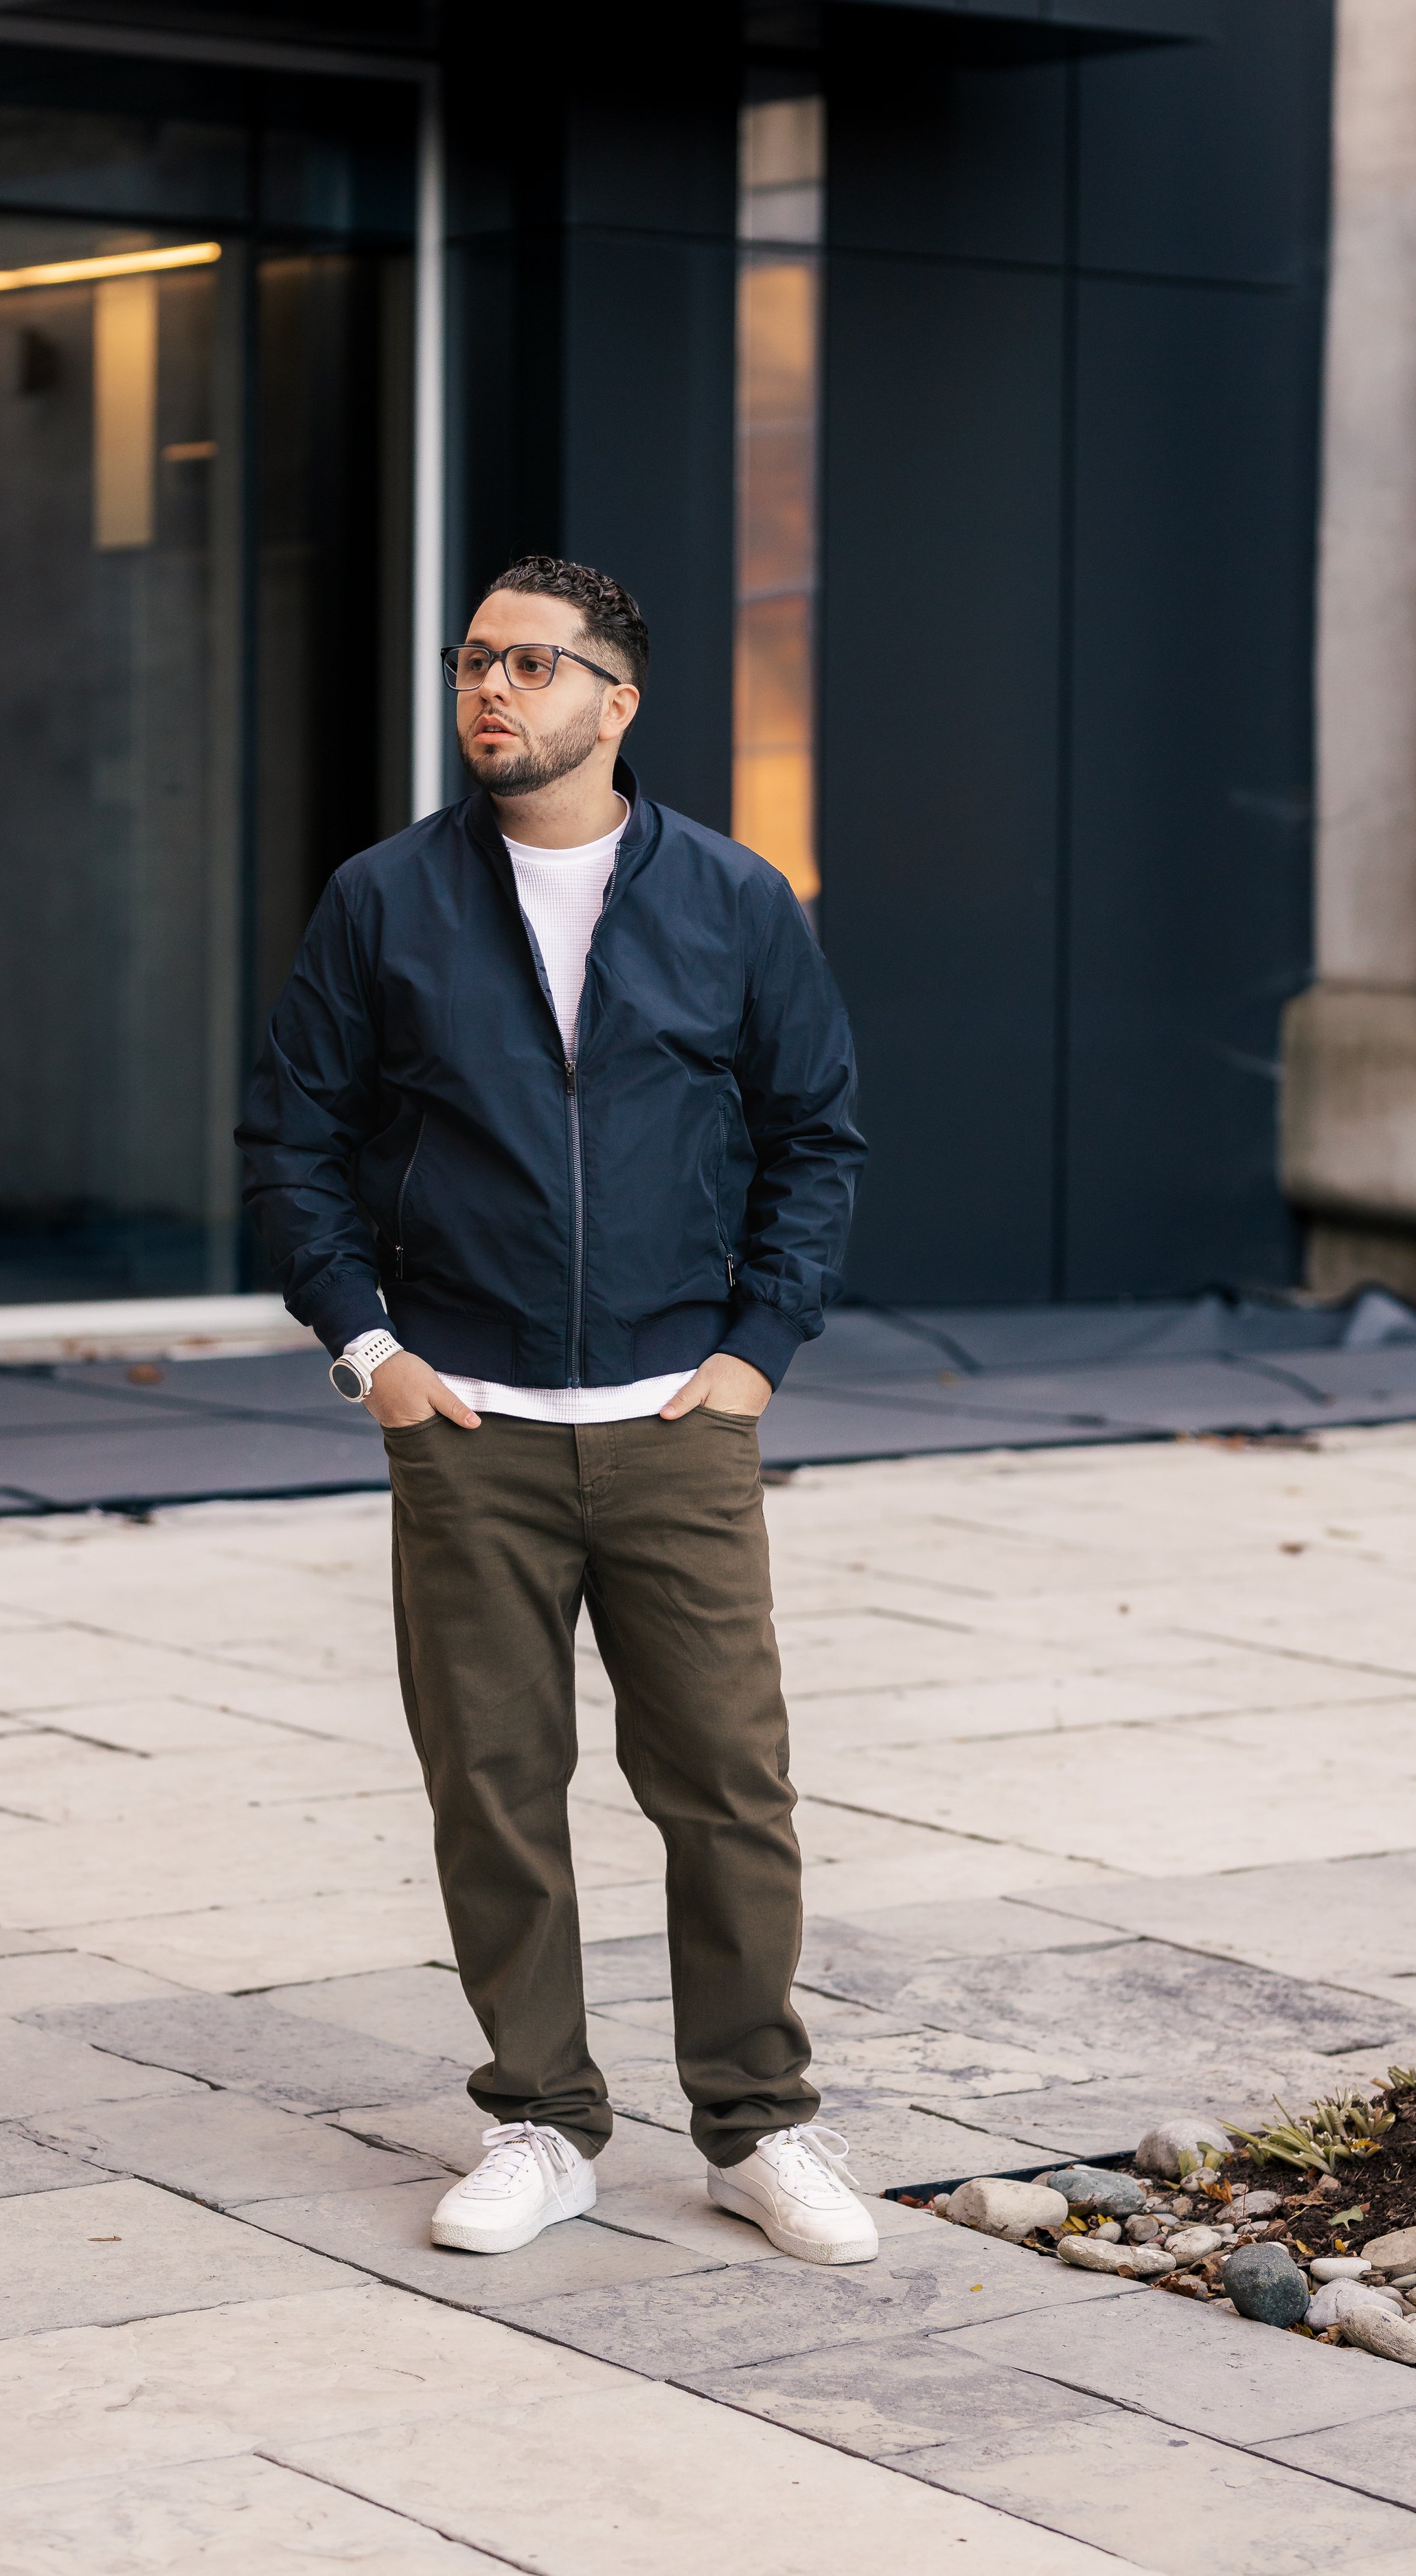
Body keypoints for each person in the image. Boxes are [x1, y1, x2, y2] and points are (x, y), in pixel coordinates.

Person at [238, 555, 875, 2265]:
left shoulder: (735, 900)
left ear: (618, 697)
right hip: (468, 1430)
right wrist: (368, 1351)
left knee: (727, 1788)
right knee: (494, 1787)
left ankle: (756, 2125)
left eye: (531, 664)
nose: (491, 692)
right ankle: (541, 2122)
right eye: (472, 662)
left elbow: (817, 1139)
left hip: (676, 1420)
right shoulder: (386, 899)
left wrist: (750, 1354)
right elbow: (289, 1142)